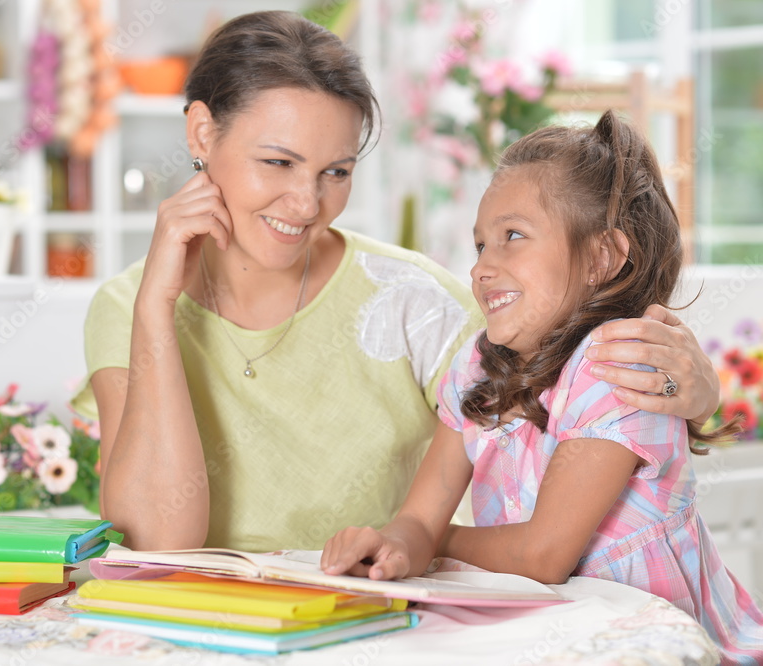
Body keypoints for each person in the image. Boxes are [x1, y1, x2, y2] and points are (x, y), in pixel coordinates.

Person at [71, 10, 722, 554]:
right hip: (204, 629)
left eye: (336, 171)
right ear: (201, 132)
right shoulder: (127, 306)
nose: (307, 202)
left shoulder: (412, 300)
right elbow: (156, 540)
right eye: (278, 161)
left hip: (381, 624)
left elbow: (567, 404)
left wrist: (697, 397)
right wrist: (157, 309)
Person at [319, 110, 763, 662]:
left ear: (602, 257)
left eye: (513, 236)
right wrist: (394, 544)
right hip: (548, 637)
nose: (482, 267)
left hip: (656, 646)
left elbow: (542, 556)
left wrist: (432, 542)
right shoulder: (476, 368)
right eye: (481, 245)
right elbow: (416, 517)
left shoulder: (618, 365)